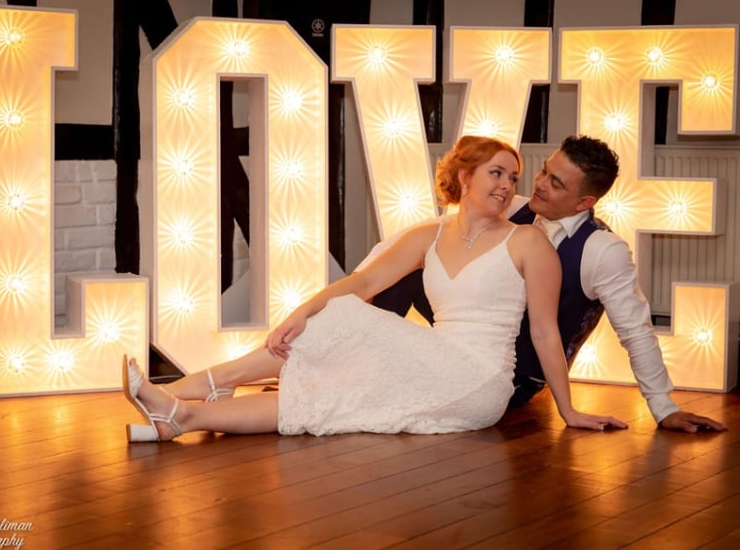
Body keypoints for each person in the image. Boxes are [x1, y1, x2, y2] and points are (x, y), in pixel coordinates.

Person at [122, 135, 627, 442]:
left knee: (346, 324)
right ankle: (181, 415)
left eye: (512, 177)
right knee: (322, 395)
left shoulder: (528, 242)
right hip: (435, 359)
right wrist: (299, 314)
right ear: (465, 176)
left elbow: (544, 333)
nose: (507, 186)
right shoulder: (429, 236)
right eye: (496, 173)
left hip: (477, 379)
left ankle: (189, 390)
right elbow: (362, 281)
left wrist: (569, 411)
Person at [366, 135, 726, 434]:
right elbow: (415, 244)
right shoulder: (510, 208)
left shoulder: (602, 251)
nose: (538, 184)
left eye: (556, 183)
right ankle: (365, 361)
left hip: (516, 374)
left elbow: (636, 331)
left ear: (585, 202)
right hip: (461, 341)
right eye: (544, 171)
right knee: (405, 271)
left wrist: (664, 407)